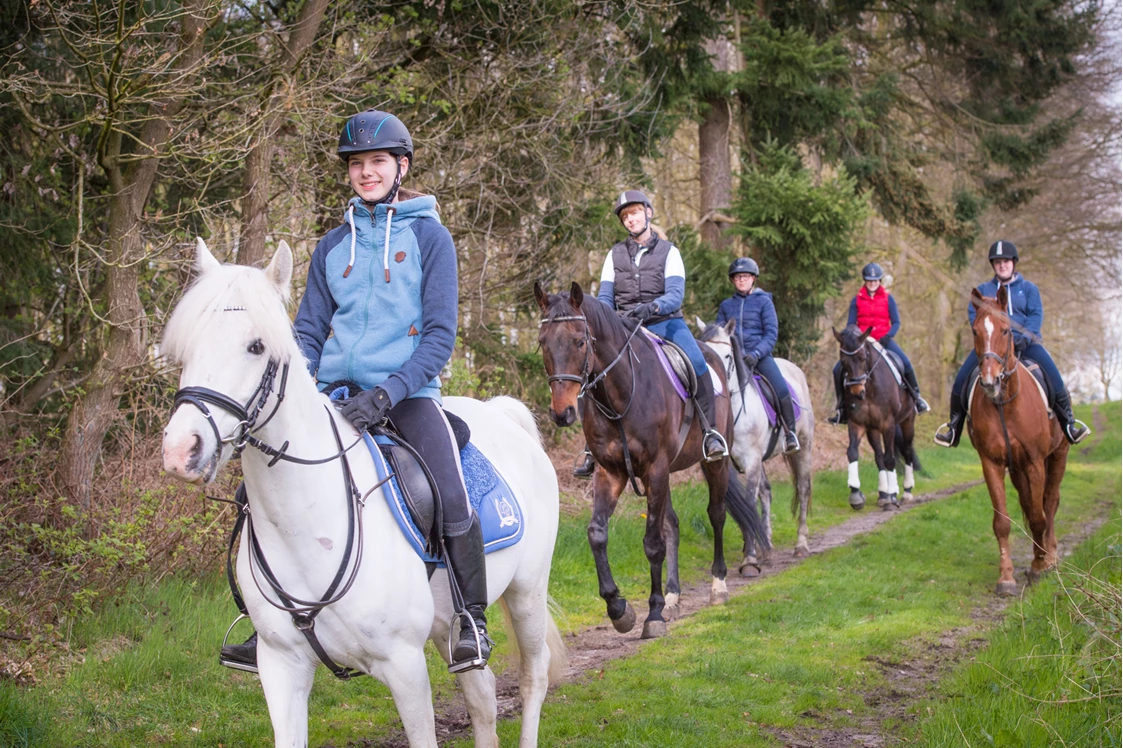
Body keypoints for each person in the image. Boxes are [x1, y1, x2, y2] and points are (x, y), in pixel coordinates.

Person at [220, 108, 491, 675]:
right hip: (335, 396)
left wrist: (390, 393)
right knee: (256, 487)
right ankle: (263, 621)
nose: (367, 172)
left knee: (447, 487)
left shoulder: (430, 238)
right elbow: (308, 333)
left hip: (409, 395)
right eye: (357, 164)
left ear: (401, 166)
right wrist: (303, 391)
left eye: (377, 162)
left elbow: (440, 337)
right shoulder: (330, 247)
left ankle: (470, 619)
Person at [572, 190, 727, 478]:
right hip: (625, 327)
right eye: (625, 216)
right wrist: (611, 320)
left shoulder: (670, 252)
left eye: (634, 213)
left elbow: (675, 295)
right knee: (590, 370)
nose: (630, 219)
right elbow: (605, 298)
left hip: (664, 322)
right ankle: (589, 447)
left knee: (696, 361)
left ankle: (711, 433)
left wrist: (652, 306)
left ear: (648, 213)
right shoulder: (614, 254)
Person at [934, 240, 1090, 447]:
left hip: (1026, 343)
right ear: (993, 265)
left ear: (1013, 263)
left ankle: (1069, 423)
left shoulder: (1028, 289)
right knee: (962, 379)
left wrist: (1025, 337)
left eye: (1006, 261)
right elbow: (976, 318)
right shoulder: (983, 290)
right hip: (992, 346)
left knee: (1053, 376)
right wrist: (992, 339)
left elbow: (1035, 315)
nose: (1002, 265)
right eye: (997, 262)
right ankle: (954, 428)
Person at [827, 262, 930, 424]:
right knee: (837, 370)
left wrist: (888, 336)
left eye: (875, 281)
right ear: (865, 281)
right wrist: (856, 338)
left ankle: (917, 398)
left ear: (880, 281)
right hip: (862, 343)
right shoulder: (857, 300)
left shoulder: (889, 299)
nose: (872, 284)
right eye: (869, 281)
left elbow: (896, 322)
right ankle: (841, 409)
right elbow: (851, 324)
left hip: (883, 340)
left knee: (906, 363)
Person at [715, 257, 800, 453]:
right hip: (734, 360)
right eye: (737, 277)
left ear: (753, 278)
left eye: (745, 277)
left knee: (780, 388)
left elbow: (771, 333)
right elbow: (720, 332)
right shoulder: (726, 306)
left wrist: (756, 353)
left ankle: (790, 433)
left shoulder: (764, 303)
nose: (741, 280)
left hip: (759, 357)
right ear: (733, 281)